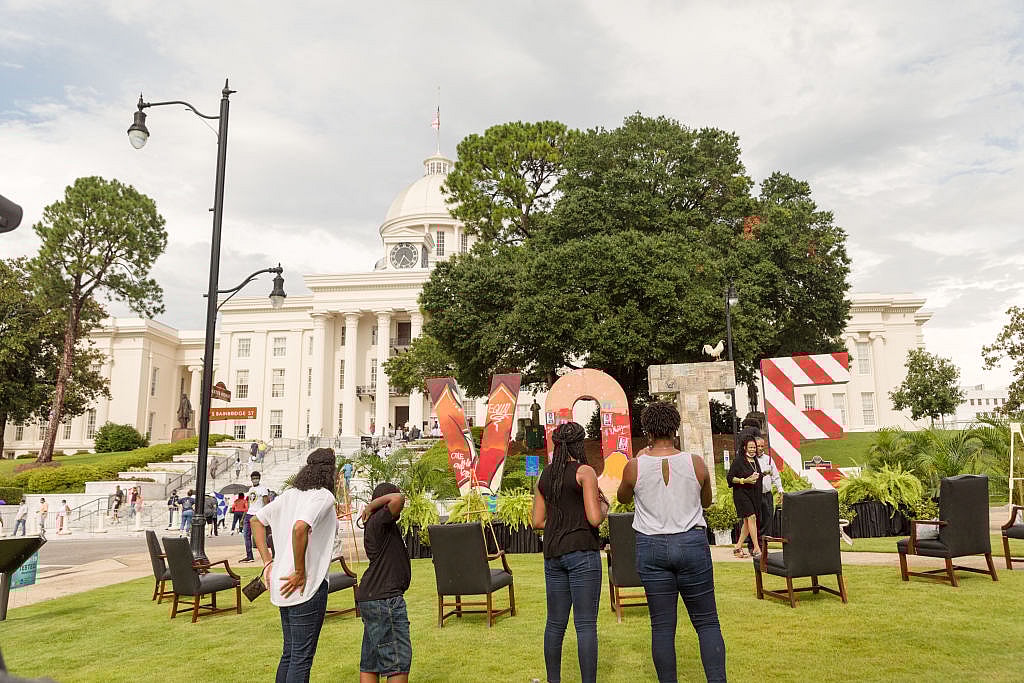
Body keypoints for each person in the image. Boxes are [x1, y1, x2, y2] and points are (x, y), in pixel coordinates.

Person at [617, 400, 726, 683]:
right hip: (691, 543)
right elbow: (706, 501)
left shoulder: (634, 467)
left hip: (651, 547)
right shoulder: (695, 462)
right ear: (675, 430)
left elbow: (623, 498)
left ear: (648, 433)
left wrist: (639, 459)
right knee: (707, 621)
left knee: (662, 627)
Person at [251, 449, 339, 683]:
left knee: (290, 654)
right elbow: (300, 528)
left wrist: (268, 561)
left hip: (282, 583)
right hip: (305, 585)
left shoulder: (290, 494)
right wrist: (300, 569)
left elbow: (256, 521)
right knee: (300, 658)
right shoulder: (323, 496)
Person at [531, 421, 607, 683]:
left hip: (553, 553)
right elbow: (595, 518)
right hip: (582, 552)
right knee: (585, 625)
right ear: (579, 443)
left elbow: (537, 522)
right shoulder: (585, 472)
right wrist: (604, 506)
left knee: (555, 624)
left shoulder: (545, 476)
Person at [358, 483, 411, 683]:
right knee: (397, 662)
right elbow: (398, 499)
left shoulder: (380, 524)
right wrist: (372, 506)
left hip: (374, 598)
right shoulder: (378, 520)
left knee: (371, 661)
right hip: (385, 600)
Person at [728, 435, 762, 560]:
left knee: (748, 522)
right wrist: (744, 480)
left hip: (754, 494)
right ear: (744, 447)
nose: (753, 449)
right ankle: (757, 548)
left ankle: (737, 546)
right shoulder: (738, 461)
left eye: (754, 447)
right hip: (741, 494)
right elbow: (730, 478)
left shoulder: (755, 460)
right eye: (751, 447)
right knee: (751, 517)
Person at [755, 437, 784, 539]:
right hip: (755, 495)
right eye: (758, 446)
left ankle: (764, 542)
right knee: (758, 519)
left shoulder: (769, 459)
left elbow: (775, 476)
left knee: (768, 519)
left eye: (762, 446)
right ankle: (756, 542)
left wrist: (780, 490)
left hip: (767, 494)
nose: (760, 448)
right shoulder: (750, 460)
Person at [241, 471, 271, 563]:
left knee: (261, 537)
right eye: (253, 478)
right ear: (251, 479)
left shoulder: (263, 489)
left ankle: (268, 556)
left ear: (259, 478)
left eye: (256, 478)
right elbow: (250, 504)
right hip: (249, 514)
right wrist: (243, 517)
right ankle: (249, 556)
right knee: (246, 536)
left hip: (258, 514)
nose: (255, 480)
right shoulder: (250, 490)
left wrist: (267, 516)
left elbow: (266, 503)